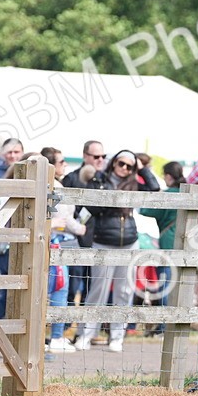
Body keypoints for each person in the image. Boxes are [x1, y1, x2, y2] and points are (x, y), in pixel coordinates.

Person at [75, 149, 159, 352]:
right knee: (98, 291)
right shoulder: (100, 179)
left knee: (124, 292)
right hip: (103, 240)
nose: (124, 168)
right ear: (114, 162)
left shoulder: (134, 184)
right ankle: (86, 334)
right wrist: (106, 197)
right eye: (121, 163)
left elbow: (154, 188)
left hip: (129, 241)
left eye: (129, 166)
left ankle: (117, 337)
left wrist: (141, 167)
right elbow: (89, 206)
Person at [41, 147, 85, 355]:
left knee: (53, 289)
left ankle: (51, 336)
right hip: (54, 241)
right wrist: (78, 228)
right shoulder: (54, 187)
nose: (65, 165)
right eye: (61, 162)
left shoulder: (48, 185)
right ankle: (56, 337)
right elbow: (62, 219)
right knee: (59, 288)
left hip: (52, 240)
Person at [62, 139, 107, 308]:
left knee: (94, 286)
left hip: (101, 240)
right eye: (96, 156)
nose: (100, 159)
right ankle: (64, 327)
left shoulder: (106, 180)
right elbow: (63, 211)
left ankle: (86, 328)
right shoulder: (71, 178)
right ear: (85, 156)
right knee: (72, 287)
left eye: (103, 156)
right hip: (76, 240)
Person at [140, 160, 186, 318]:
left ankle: (163, 323)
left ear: (168, 176)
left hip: (168, 240)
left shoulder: (167, 195)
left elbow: (146, 210)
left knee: (165, 283)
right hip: (186, 242)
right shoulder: (187, 192)